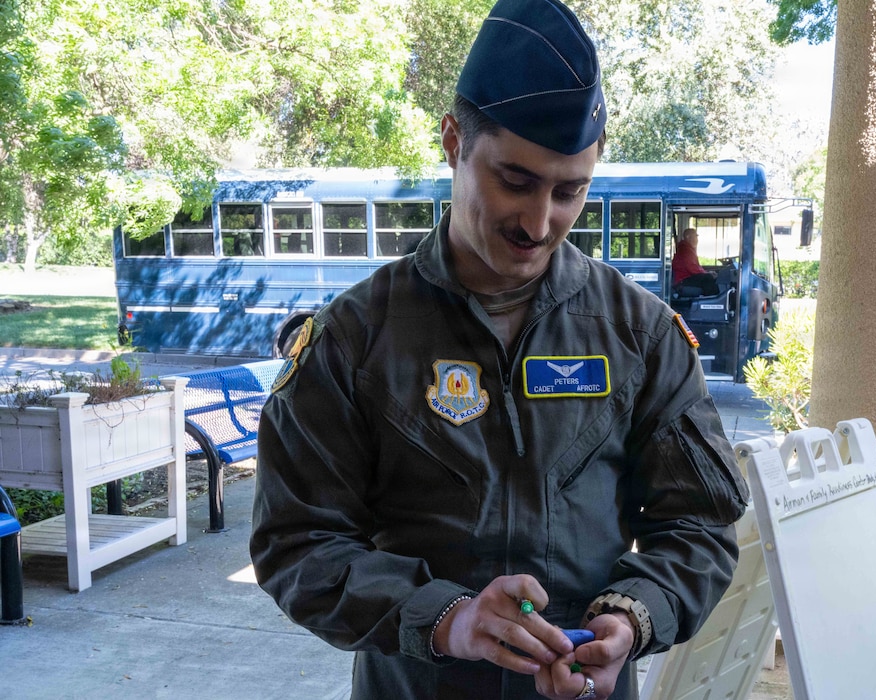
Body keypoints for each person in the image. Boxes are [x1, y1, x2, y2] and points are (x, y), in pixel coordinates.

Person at [250, 1, 749, 699]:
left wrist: (632, 619)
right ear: (454, 141)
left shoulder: (641, 335)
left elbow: (697, 526)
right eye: (515, 181)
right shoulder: (355, 338)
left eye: (570, 192)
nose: (539, 222)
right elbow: (297, 543)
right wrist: (449, 620)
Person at [671, 228, 719, 296]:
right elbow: (692, 268)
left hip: (686, 277)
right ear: (688, 237)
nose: (697, 240)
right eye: (695, 237)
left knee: (708, 276)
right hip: (682, 280)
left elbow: (695, 267)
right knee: (708, 278)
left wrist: (706, 272)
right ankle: (712, 300)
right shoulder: (685, 250)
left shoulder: (687, 248)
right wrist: (707, 273)